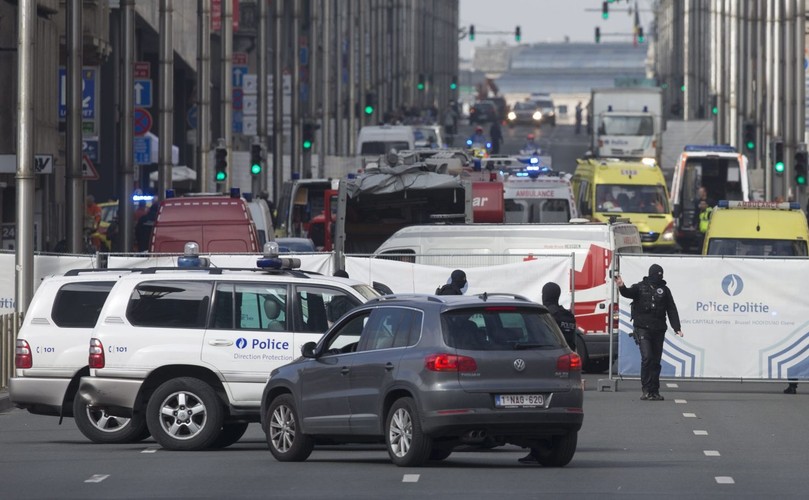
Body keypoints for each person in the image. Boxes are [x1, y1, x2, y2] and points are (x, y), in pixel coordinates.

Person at [518, 281, 577, 464]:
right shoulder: (568, 316)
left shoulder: (545, 315)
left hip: (545, 364)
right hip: (564, 366)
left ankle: (535, 450)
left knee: (533, 409)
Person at [615, 265, 683, 401]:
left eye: (661, 274)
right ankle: (646, 389)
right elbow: (628, 293)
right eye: (657, 274)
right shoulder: (640, 287)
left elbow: (671, 309)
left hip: (658, 329)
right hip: (642, 328)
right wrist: (621, 286)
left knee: (656, 361)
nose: (659, 277)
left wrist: (677, 328)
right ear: (650, 274)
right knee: (647, 358)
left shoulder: (664, 290)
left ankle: (654, 390)